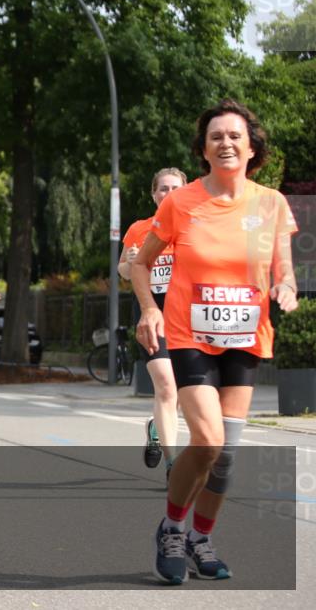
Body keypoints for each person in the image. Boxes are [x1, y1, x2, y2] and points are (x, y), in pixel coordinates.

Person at [132, 100, 298, 585]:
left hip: (245, 336)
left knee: (227, 456)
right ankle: (173, 529)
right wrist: (148, 308)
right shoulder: (181, 202)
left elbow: (282, 266)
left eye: (234, 136)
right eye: (216, 137)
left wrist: (285, 286)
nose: (226, 142)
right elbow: (140, 263)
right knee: (207, 442)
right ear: (204, 150)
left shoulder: (271, 203)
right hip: (189, 335)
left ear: (252, 147)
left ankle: (202, 539)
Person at [118, 168, 187, 475]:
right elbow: (122, 269)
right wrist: (130, 262)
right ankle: (174, 464)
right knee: (166, 386)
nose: (168, 194)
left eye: (175, 188)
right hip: (151, 314)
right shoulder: (139, 229)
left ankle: (156, 429)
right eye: (162, 189)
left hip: (187, 318)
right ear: (153, 194)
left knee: (184, 391)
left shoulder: (194, 227)